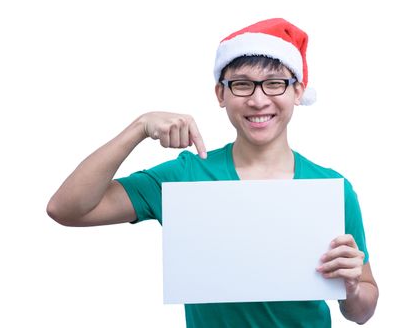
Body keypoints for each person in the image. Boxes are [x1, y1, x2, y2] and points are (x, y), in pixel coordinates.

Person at [47, 17, 379, 327]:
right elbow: (67, 208)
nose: (258, 99)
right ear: (221, 93)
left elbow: (363, 311)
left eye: (275, 83)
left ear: (297, 91)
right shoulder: (185, 177)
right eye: (242, 85)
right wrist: (139, 127)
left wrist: (350, 287)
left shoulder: (331, 188)